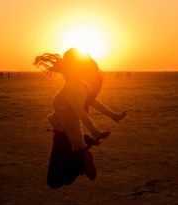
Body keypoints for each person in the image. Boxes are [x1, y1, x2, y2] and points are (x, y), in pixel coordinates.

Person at [33, 48, 126, 188]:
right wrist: (113, 115)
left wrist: (95, 132)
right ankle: (83, 151)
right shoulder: (81, 84)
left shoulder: (73, 87)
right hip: (65, 133)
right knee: (59, 179)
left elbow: (81, 112)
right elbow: (94, 102)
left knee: (54, 182)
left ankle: (83, 157)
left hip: (66, 135)